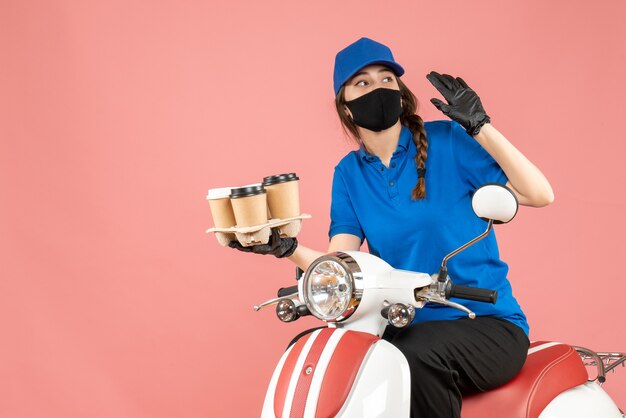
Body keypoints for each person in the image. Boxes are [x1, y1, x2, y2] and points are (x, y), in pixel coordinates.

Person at [229, 37, 554, 418]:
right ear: (346, 107)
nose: (377, 88)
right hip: (404, 321)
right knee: (313, 351)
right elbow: (342, 263)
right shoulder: (349, 173)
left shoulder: (448, 142)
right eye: (362, 83)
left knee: (412, 356)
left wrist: (480, 127)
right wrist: (286, 248)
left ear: (400, 93)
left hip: (483, 322)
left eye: (386, 79)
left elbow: (539, 194)